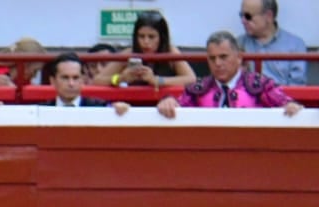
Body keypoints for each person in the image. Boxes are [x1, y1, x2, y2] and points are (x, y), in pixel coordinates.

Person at [157, 30, 303, 118]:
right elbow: (178, 104)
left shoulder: (259, 85)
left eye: (223, 57)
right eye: (212, 58)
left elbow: (286, 102)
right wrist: (169, 101)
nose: (218, 63)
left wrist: (291, 106)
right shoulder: (198, 89)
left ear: (239, 57)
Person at [91, 11, 196, 88]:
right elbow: (97, 80)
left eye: (151, 37)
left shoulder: (171, 51)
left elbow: (191, 79)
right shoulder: (129, 53)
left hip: (165, 108)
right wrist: (121, 78)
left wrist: (157, 80)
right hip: (134, 108)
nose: (146, 42)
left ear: (161, 37)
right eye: (141, 36)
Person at [237, 0, 307, 86]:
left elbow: (297, 86)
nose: (243, 21)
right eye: (241, 15)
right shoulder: (237, 44)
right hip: (249, 98)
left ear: (268, 16)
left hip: (283, 98)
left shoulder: (295, 45)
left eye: (248, 16)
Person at [42, 52, 130, 114]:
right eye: (65, 78)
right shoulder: (40, 110)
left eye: (75, 78)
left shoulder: (101, 108)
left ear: (83, 80)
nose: (71, 83)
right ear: (53, 81)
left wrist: (119, 108)